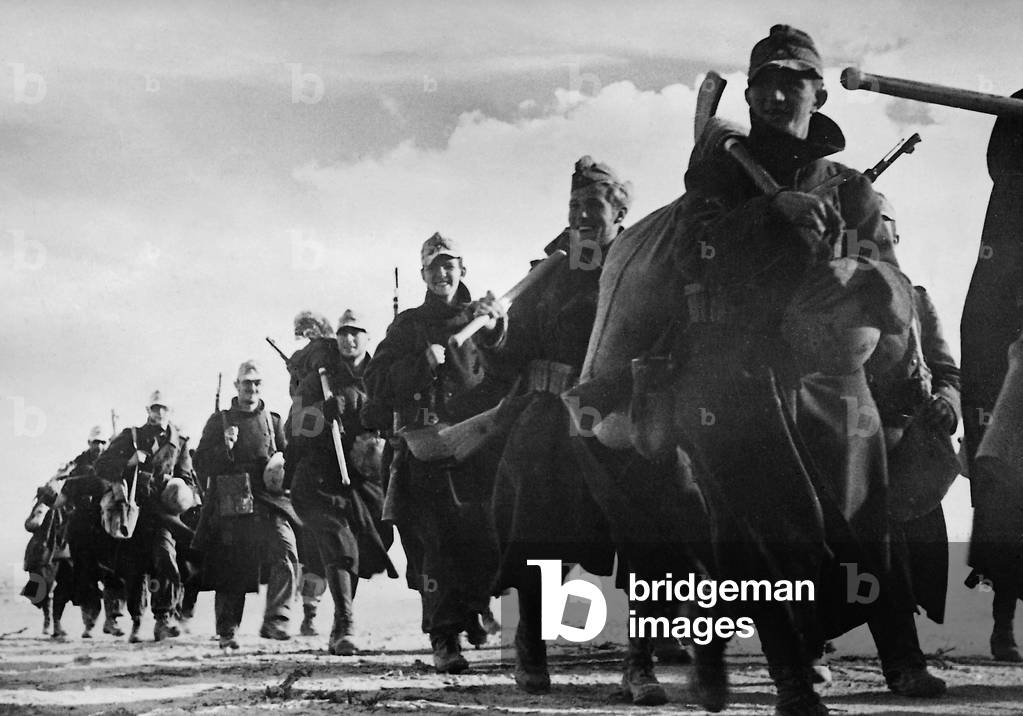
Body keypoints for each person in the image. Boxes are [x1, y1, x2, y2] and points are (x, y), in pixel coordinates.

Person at [665, 25, 913, 715]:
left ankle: (877, 654)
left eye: (790, 82)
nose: (774, 96)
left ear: (817, 92)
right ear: (747, 96)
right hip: (734, 370)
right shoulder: (716, 172)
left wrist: (854, 269)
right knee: (758, 526)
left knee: (845, 529)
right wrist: (767, 211)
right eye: (762, 85)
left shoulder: (851, 188)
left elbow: (897, 289)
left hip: (827, 381)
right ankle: (789, 681)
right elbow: (693, 253)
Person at [475, 156, 673, 700]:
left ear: (620, 213)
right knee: (538, 533)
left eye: (593, 206)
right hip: (551, 419)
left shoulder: (642, 271)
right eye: (574, 206)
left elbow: (661, 339)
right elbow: (512, 357)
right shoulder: (548, 275)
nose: (582, 216)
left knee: (644, 535)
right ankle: (531, 648)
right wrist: (495, 332)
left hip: (618, 416)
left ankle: (641, 661)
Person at [364, 234, 507, 673]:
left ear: (462, 269)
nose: (442, 274)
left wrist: (499, 331)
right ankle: (445, 637)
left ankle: (472, 610)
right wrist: (421, 362)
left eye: (450, 265)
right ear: (423, 275)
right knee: (436, 547)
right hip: (426, 449)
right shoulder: (407, 326)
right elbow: (376, 383)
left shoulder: (482, 318)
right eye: (434, 268)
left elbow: (508, 370)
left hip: (477, 446)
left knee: (484, 540)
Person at [289, 309, 395, 656]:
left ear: (367, 338)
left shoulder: (380, 373)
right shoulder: (318, 377)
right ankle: (346, 622)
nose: (350, 339)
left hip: (366, 476)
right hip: (322, 476)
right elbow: (296, 427)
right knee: (339, 542)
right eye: (344, 333)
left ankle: (339, 619)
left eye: (357, 333)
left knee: (367, 544)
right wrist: (321, 412)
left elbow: (394, 412)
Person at [191, 360, 300, 648]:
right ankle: (227, 630)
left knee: (285, 549)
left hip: (268, 498)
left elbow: (287, 458)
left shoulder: (273, 421)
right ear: (237, 386)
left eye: (256, 383)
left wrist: (281, 469)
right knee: (231, 565)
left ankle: (277, 619)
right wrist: (223, 447)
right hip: (232, 499)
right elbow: (199, 463)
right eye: (246, 383)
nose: (251, 388)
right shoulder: (219, 421)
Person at [94, 390, 195, 642]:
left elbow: (189, 478)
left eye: (163, 408)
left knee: (165, 557)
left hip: (163, 512)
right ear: (147, 410)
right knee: (136, 568)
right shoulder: (132, 436)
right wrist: (128, 463)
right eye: (154, 408)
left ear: (170, 412)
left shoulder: (180, 442)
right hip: (135, 511)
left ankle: (164, 618)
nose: (158, 413)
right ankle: (137, 621)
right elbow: (102, 465)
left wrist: (180, 488)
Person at [59, 426, 127, 638]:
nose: (99, 446)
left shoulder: (114, 466)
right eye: (95, 442)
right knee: (85, 576)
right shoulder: (78, 467)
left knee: (114, 572)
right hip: (82, 529)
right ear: (89, 443)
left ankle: (112, 619)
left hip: (109, 527)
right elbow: (63, 496)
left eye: (102, 443)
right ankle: (89, 622)